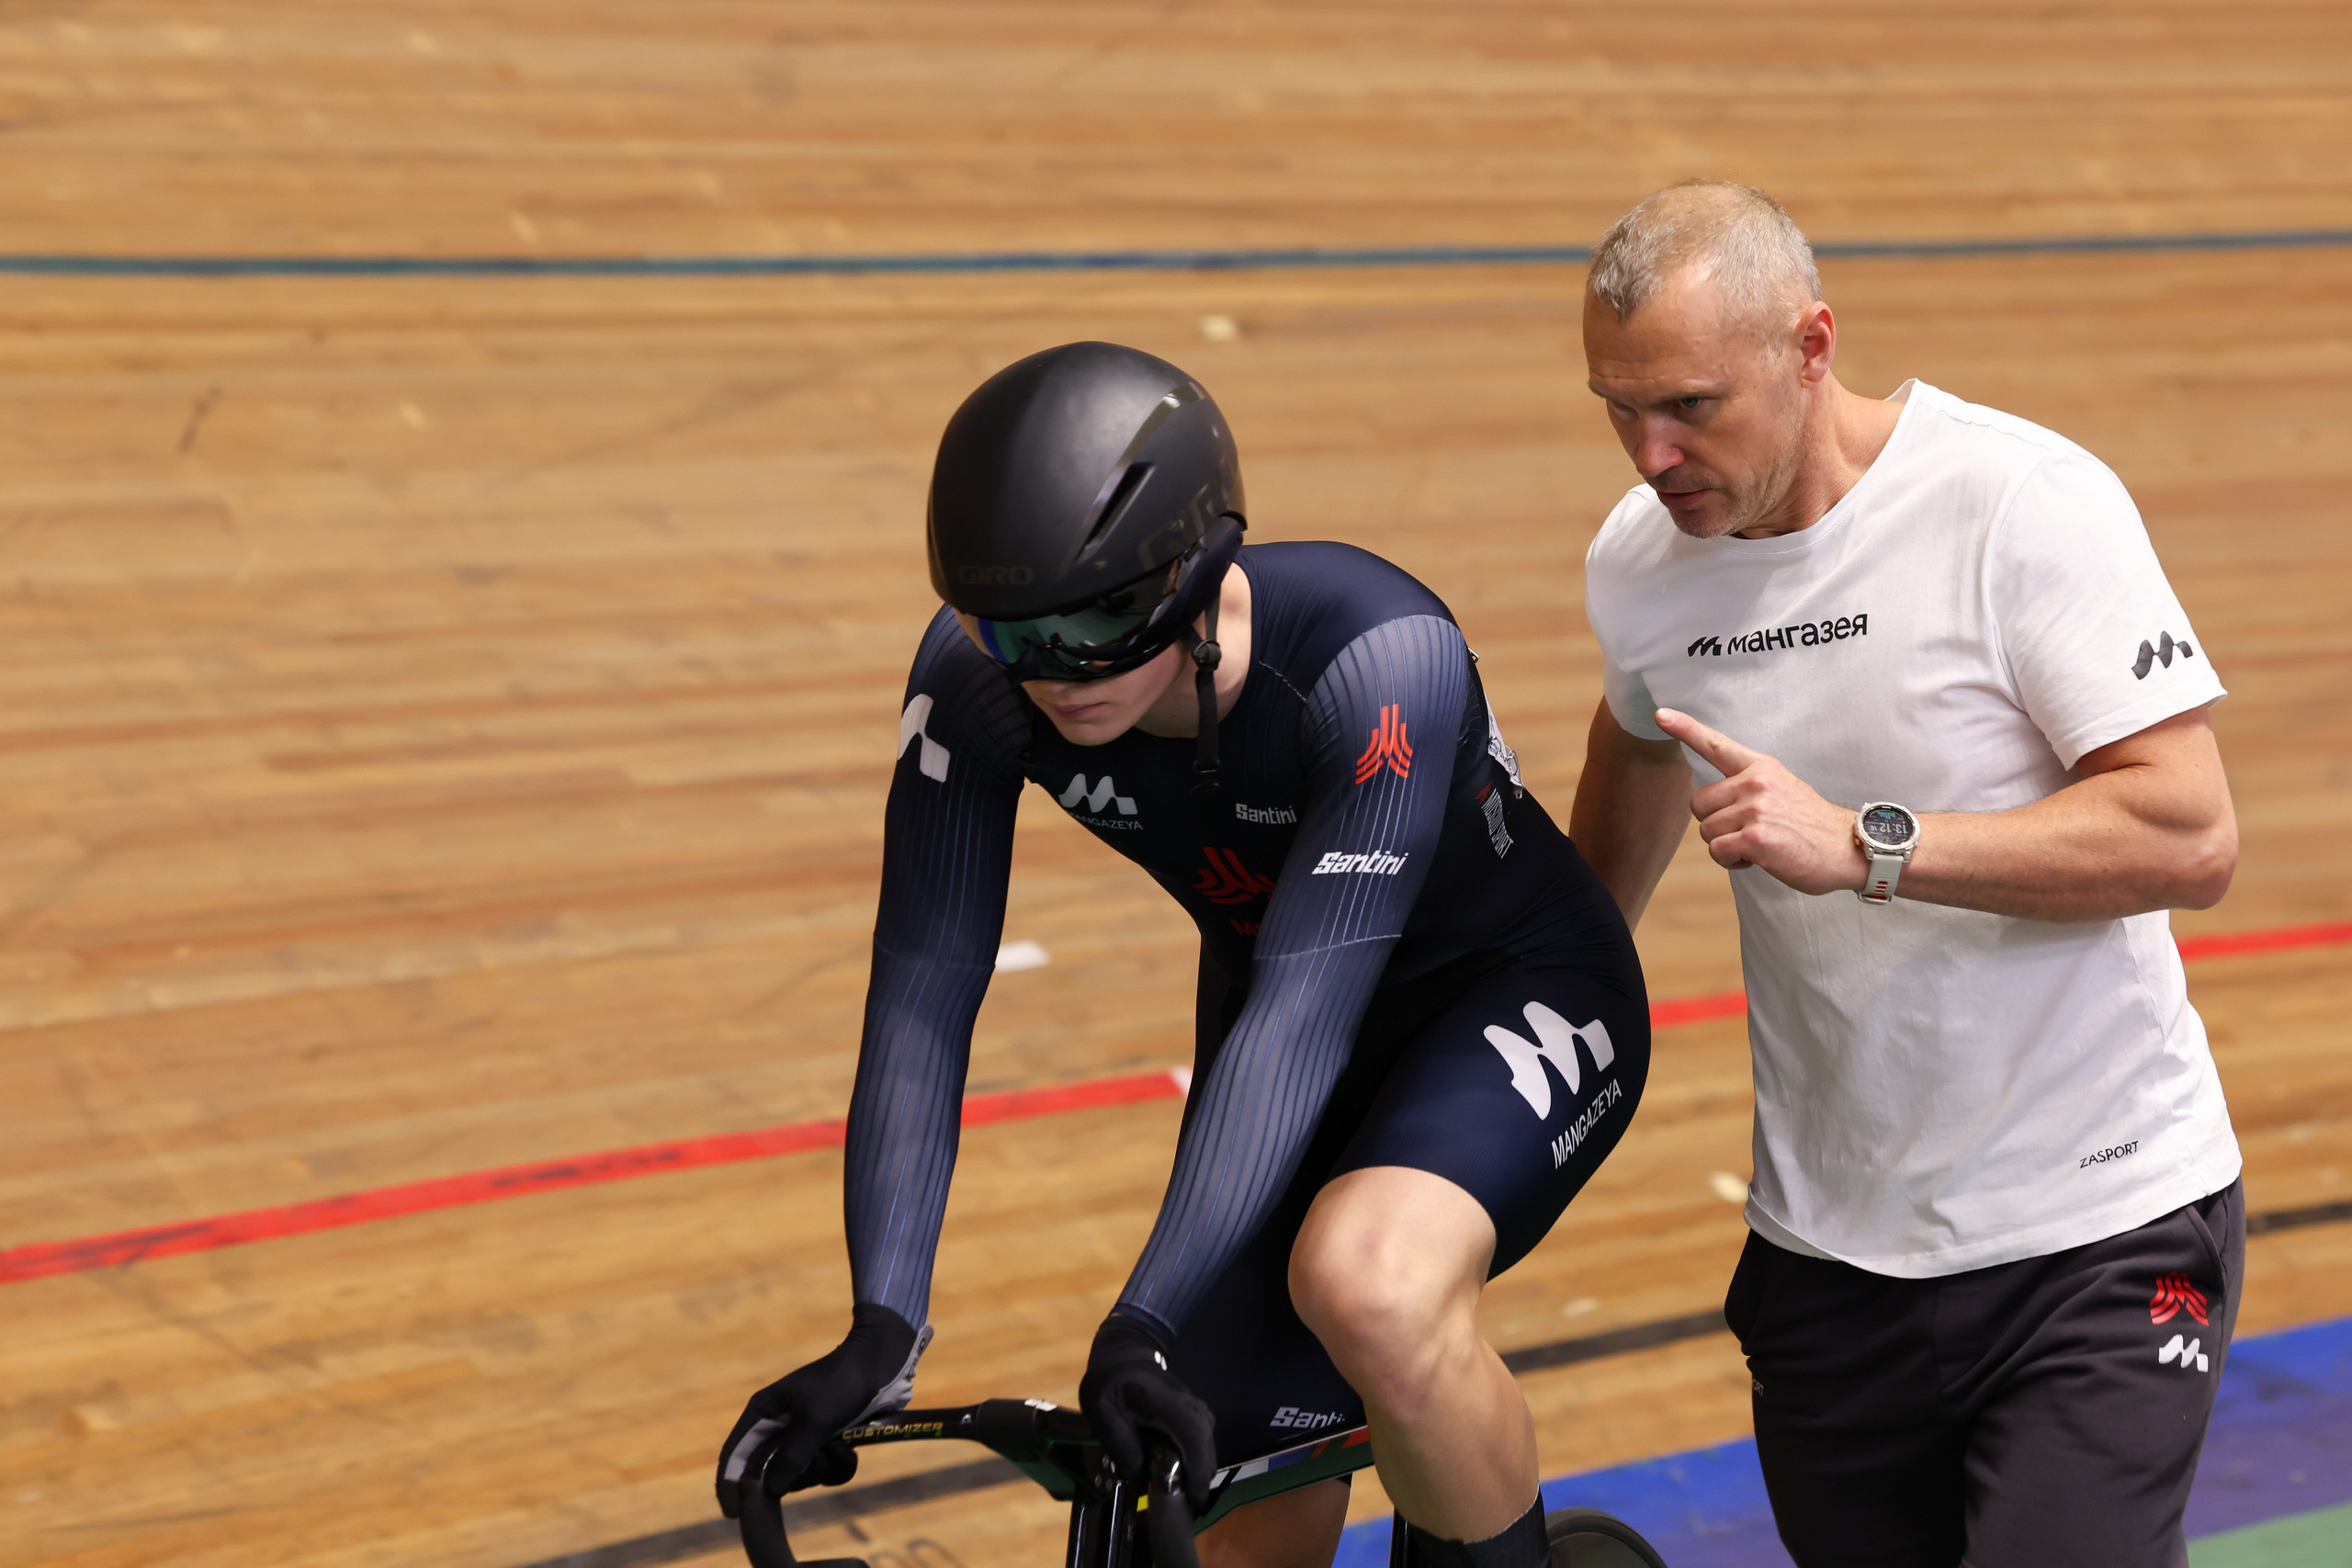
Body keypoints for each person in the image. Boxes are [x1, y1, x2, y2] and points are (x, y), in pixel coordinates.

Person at [714, 343, 1651, 1568]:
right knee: (1194, 1497)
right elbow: (924, 995)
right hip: (1281, 1019)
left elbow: (1308, 1012)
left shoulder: (1380, 658)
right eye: (1013, 630)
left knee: (1368, 1283)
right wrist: (882, 1326)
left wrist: (1142, 1319)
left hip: (1509, 995)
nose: (1055, 674)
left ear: (1199, 575)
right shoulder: (974, 682)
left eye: (1100, 622)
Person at [1568, 183, 2243, 1568]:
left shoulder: (2017, 503)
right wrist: (1565, 949)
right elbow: (1639, 729)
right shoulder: (1644, 565)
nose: (1651, 452)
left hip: (2098, 1230)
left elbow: (2188, 832)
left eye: (1692, 404)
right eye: (1619, 408)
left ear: (1813, 347)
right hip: (1831, 1257)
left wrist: (1871, 846)